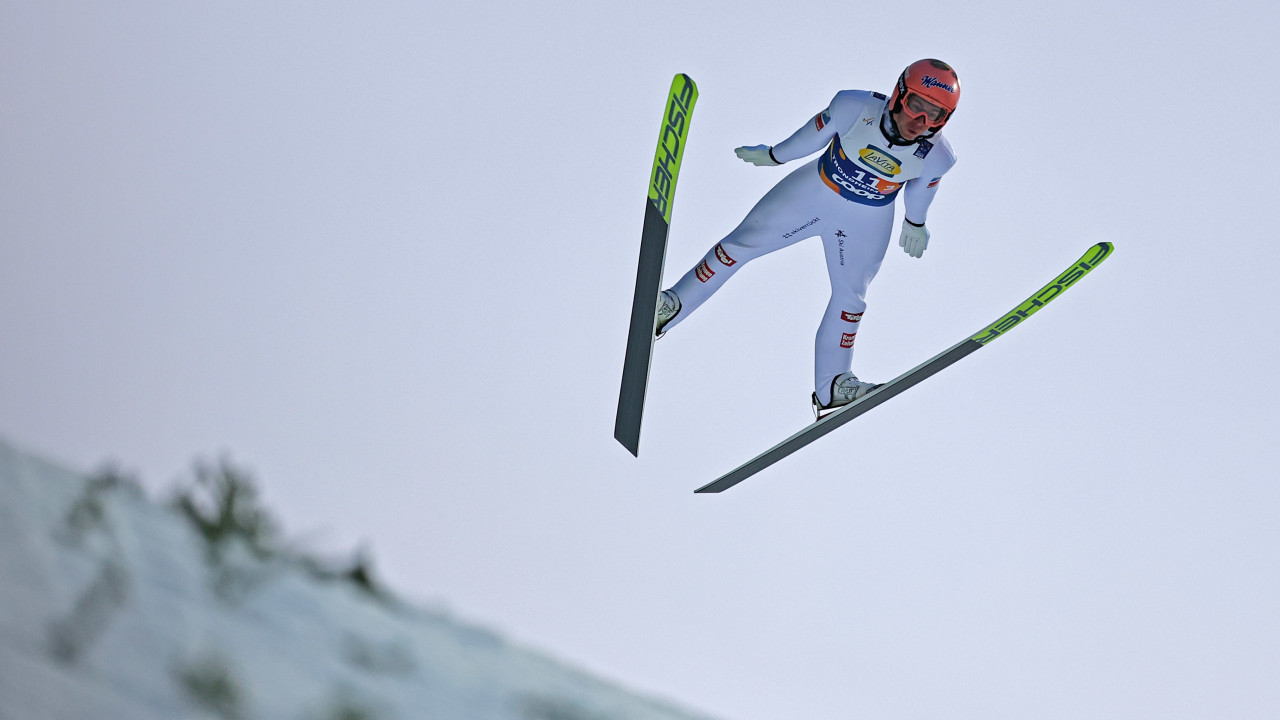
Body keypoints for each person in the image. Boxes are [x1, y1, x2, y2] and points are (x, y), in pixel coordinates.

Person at [655, 59, 960, 419]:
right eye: (916, 107)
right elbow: (810, 137)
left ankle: (833, 387)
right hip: (814, 192)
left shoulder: (938, 155)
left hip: (868, 218)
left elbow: (923, 190)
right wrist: (775, 155)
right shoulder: (854, 106)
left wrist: (915, 222)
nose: (920, 122)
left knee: (852, 300)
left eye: (935, 117)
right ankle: (669, 306)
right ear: (898, 95)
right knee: (737, 247)